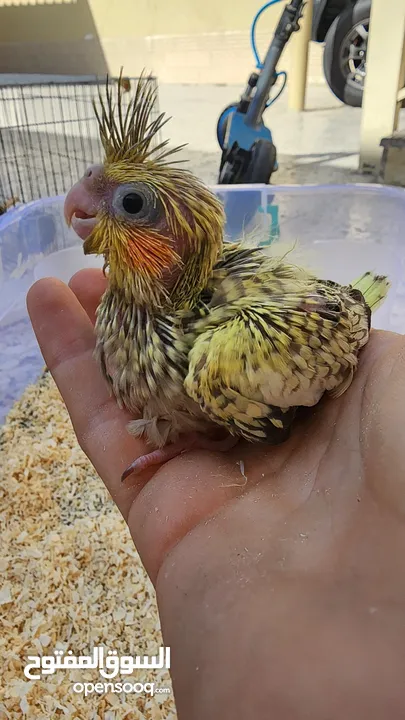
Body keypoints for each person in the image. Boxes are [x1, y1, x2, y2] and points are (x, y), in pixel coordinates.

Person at [27, 269, 405, 720]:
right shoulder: (127, 311)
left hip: (297, 321)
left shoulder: (221, 363)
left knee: (223, 378)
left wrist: (227, 430)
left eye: (131, 208)